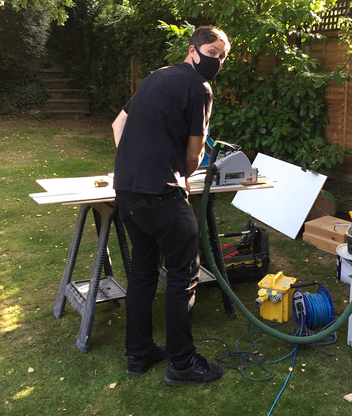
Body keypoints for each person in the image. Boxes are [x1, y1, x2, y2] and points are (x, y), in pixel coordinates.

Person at [110, 25, 229, 387]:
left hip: (127, 192)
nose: (217, 61)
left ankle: (139, 353)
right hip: (162, 194)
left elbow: (118, 123)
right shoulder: (199, 88)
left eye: (223, 57)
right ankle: (181, 363)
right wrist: (178, 174)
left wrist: (135, 164)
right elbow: (195, 154)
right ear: (192, 50)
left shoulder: (157, 76)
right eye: (212, 53)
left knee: (144, 273)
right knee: (183, 277)